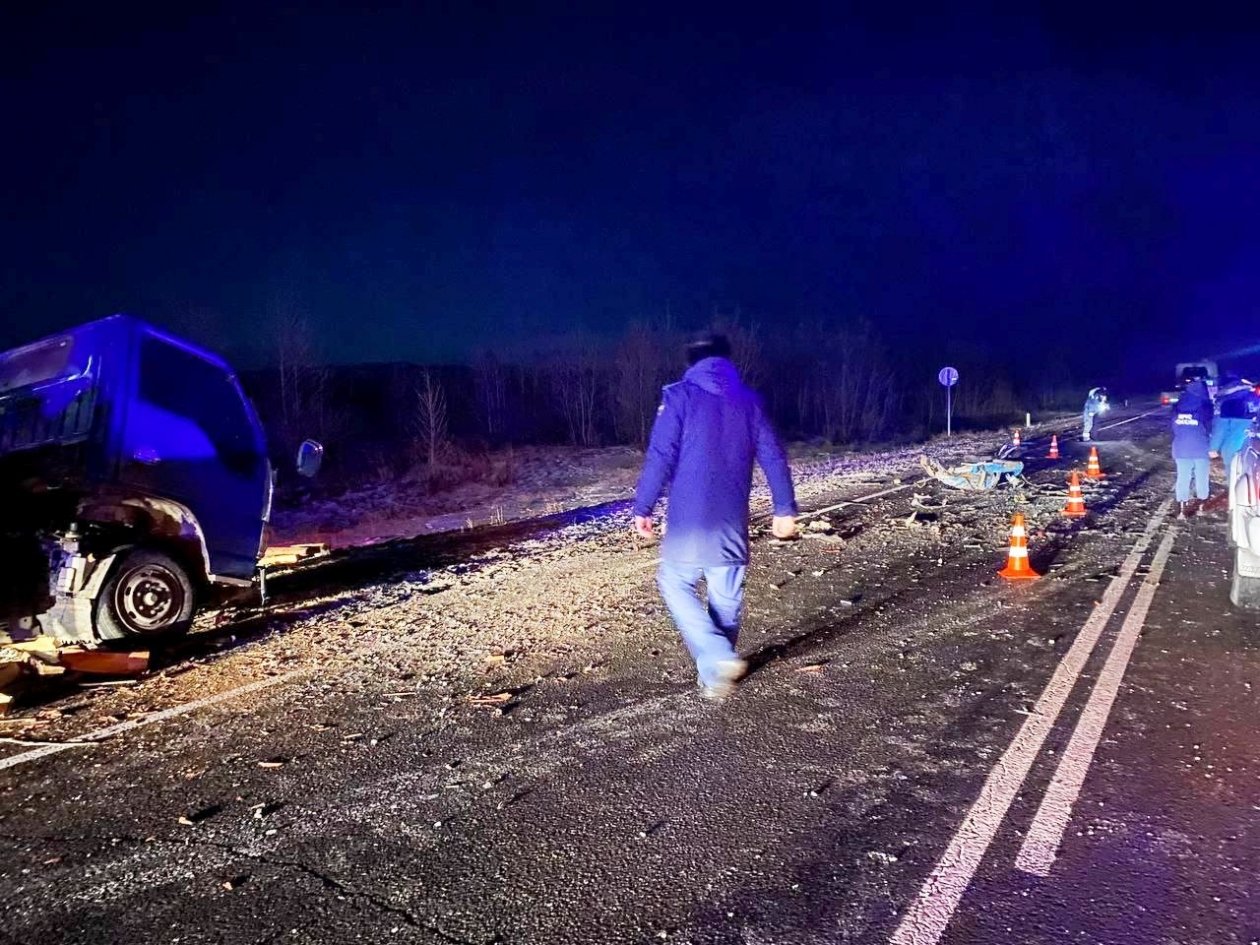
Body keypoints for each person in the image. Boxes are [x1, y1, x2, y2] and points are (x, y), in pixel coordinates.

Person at [632, 334, 798, 701]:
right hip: (732, 522)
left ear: (691, 362)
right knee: (726, 599)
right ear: (727, 360)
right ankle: (715, 675)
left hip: (688, 520)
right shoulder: (750, 402)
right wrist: (784, 509)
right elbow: (774, 457)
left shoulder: (679, 396)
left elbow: (661, 456)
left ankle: (717, 657)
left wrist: (643, 507)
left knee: (674, 582)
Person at [1172, 378, 1213, 518]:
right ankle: (1201, 506)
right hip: (1201, 447)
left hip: (1181, 447)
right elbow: (1210, 426)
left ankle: (1182, 510)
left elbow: (1173, 426)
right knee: (1201, 477)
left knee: (1183, 477)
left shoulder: (1178, 406)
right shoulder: (1205, 406)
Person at [1209, 374, 1259, 479]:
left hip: (1234, 450)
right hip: (1255, 449)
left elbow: (1220, 429)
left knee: (1234, 479)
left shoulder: (1227, 403)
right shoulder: (1256, 399)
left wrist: (1213, 448)